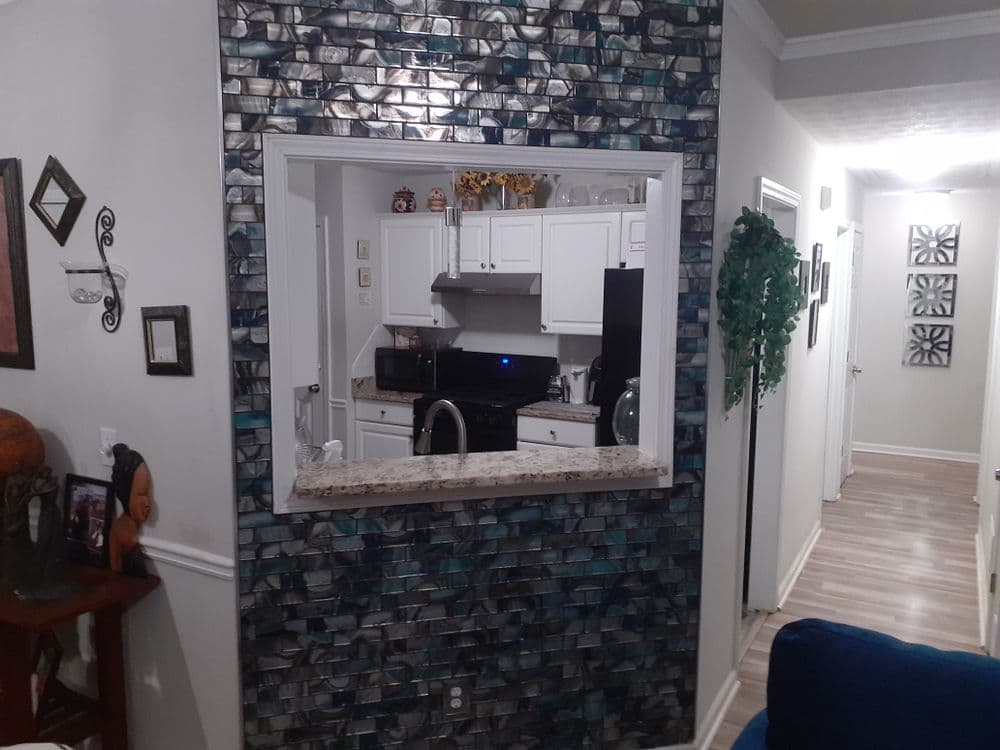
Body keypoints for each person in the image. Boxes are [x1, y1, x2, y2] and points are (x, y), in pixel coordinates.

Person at [109, 443, 151, 576]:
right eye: (141, 494)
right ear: (125, 495)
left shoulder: (133, 530)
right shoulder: (121, 534)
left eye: (148, 494)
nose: (147, 503)